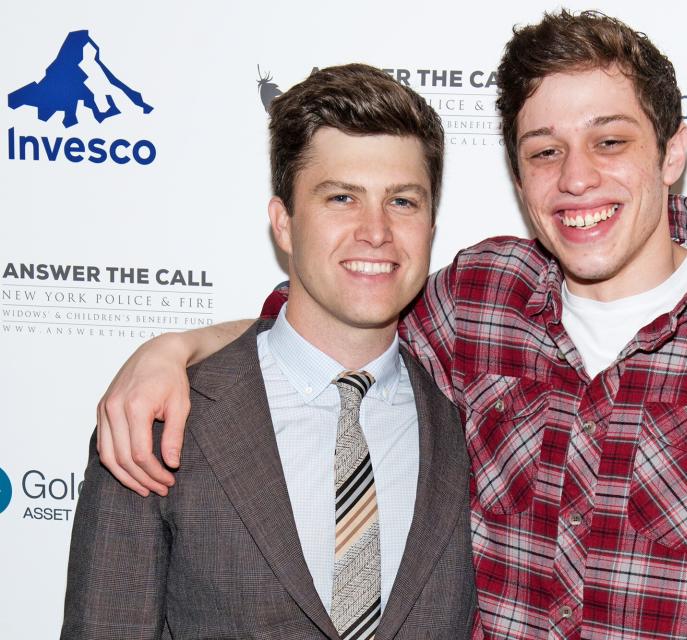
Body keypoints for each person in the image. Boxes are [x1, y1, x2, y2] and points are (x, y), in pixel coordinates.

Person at [94, 10, 687, 639]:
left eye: (610, 142)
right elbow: (343, 311)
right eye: (545, 152)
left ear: (672, 151)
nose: (577, 178)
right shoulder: (483, 297)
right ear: (516, 173)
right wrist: (176, 346)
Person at [62, 64, 476, 640]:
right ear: (284, 224)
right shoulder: (162, 417)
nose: (375, 231)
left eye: (403, 201)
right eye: (341, 197)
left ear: (432, 222)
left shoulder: (466, 419)